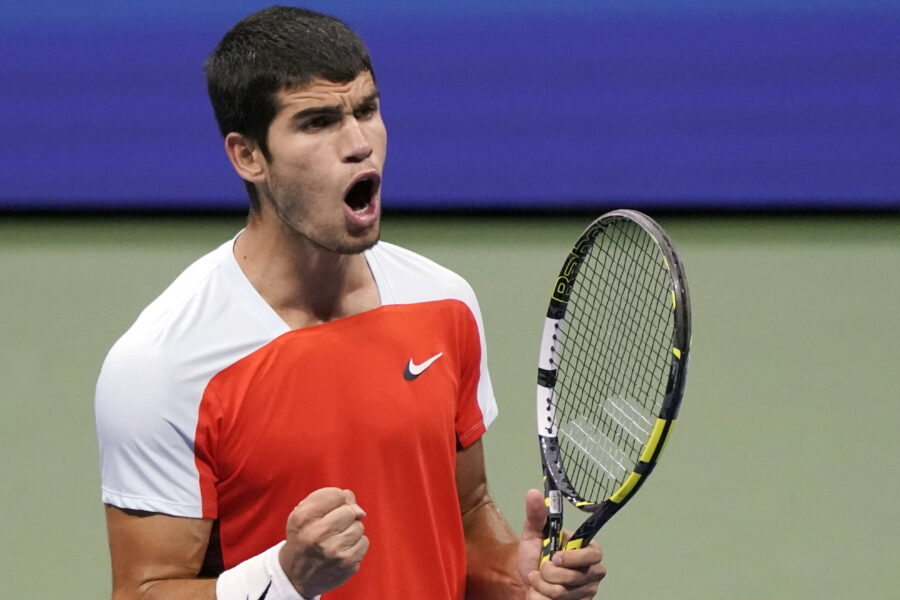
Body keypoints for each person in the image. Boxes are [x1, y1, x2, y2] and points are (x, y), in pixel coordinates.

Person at [94, 6, 606, 599]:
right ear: (248, 156)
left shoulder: (444, 304)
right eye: (317, 123)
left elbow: (465, 516)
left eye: (366, 110)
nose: (360, 144)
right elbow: (145, 590)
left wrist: (518, 578)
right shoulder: (162, 365)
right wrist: (282, 579)